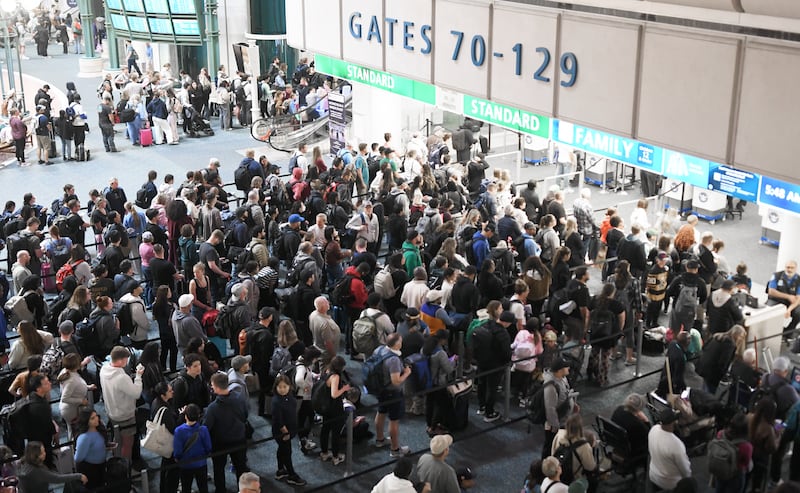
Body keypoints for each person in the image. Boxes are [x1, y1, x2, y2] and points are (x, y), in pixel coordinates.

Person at [205, 372, 250, 493]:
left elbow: (207, 427)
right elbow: (245, 415)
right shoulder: (239, 398)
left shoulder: (213, 408)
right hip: (239, 439)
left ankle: (220, 490)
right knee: (241, 467)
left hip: (220, 444)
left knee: (219, 469)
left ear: (217, 387)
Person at [100, 346, 145, 465]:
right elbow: (136, 393)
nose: (127, 363)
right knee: (127, 444)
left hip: (111, 411)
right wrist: (139, 376)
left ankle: (116, 462)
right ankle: (126, 468)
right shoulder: (121, 377)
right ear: (120, 360)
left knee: (117, 439)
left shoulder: (104, 369)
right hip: (125, 415)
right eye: (126, 360)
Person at [373, 333, 413, 458]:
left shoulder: (379, 350)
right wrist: (407, 373)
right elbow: (396, 381)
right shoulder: (394, 360)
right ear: (397, 344)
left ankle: (380, 439)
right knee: (394, 420)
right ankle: (395, 449)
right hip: (392, 392)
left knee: (381, 412)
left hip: (380, 389)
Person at [472, 303, 513, 422]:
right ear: (507, 323)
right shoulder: (502, 333)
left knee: (482, 383)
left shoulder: (486, 324)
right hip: (495, 364)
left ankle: (482, 407)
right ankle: (489, 413)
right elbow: (506, 352)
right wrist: (507, 362)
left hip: (481, 361)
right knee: (492, 388)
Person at [271, 374, 307, 486]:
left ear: (289, 386)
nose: (282, 389)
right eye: (280, 387)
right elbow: (278, 420)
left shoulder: (290, 397)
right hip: (282, 432)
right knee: (287, 452)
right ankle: (291, 475)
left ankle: (280, 470)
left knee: (282, 450)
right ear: (275, 387)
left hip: (290, 429)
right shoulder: (276, 401)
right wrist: (285, 432)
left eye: (285, 386)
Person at [542, 358, 578, 460]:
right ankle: (545, 467)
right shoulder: (550, 386)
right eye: (566, 366)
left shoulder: (563, 378)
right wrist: (555, 427)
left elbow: (566, 393)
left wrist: (573, 404)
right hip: (555, 425)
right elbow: (550, 409)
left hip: (564, 420)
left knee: (559, 447)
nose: (568, 368)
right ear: (559, 370)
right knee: (549, 447)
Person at [648, 407, 691, 491]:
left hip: (653, 475)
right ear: (674, 422)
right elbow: (685, 470)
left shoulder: (653, 429)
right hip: (670, 483)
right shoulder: (676, 444)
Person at [18, 441, 86, 493]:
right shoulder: (37, 471)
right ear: (37, 456)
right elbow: (58, 478)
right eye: (42, 452)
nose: (45, 453)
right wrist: (79, 476)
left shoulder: (24, 464)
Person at [696, 325, 746, 394]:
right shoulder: (730, 345)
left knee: (703, 388)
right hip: (713, 373)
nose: (741, 339)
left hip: (703, 366)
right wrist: (722, 377)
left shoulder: (717, 336)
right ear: (737, 335)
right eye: (741, 337)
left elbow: (704, 347)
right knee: (709, 393)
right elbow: (723, 363)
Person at [173, 403, 212, 493]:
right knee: (203, 487)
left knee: (186, 488)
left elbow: (177, 452)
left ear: (185, 416)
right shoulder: (203, 429)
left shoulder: (178, 431)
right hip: (201, 463)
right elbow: (209, 447)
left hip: (185, 465)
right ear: (198, 416)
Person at [319, 355, 350, 465]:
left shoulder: (326, 370)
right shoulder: (335, 377)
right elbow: (334, 394)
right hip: (334, 407)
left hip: (325, 406)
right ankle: (335, 456)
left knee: (325, 429)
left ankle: (324, 452)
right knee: (335, 432)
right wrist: (344, 389)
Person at [713, 412, 752, 493]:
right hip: (736, 475)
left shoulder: (720, 434)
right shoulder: (746, 446)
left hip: (721, 470)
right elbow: (746, 463)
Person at [748, 397, 780, 493]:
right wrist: (778, 435)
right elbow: (772, 448)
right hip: (760, 459)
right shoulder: (768, 428)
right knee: (757, 482)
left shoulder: (749, 417)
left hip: (747, 454)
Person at [610, 394, 651, 468]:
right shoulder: (637, 425)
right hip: (632, 449)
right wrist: (646, 421)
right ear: (639, 409)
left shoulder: (619, 409)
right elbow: (648, 434)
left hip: (617, 442)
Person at [73, 408, 107, 489]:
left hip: (101, 465)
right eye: (92, 418)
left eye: (96, 416)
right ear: (86, 421)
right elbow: (78, 458)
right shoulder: (84, 438)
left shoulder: (99, 428)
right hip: (90, 469)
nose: (96, 419)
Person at [766, 260, 800, 339]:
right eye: (788, 267)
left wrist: (789, 310)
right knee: (769, 311)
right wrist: (788, 296)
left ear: (796, 269)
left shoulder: (799, 280)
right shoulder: (776, 275)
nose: (790, 270)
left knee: (799, 312)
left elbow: (798, 299)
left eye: (792, 268)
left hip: (790, 303)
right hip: (776, 300)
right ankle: (771, 330)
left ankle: (788, 332)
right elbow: (771, 291)